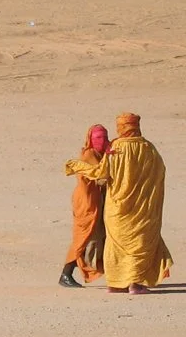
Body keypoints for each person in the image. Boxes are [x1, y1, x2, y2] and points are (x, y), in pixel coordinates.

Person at [64, 112, 173, 294]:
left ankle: (115, 283)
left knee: (116, 245)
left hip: (116, 210)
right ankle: (135, 284)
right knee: (138, 244)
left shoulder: (116, 148)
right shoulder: (148, 148)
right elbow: (160, 171)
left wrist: (76, 166)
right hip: (141, 210)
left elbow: (101, 172)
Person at [60, 124, 111, 288]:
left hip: (96, 200)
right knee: (83, 237)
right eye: (97, 138)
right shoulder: (89, 155)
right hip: (86, 202)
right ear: (90, 139)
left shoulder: (102, 154)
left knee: (98, 237)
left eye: (104, 137)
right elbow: (99, 175)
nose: (101, 141)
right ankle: (66, 274)